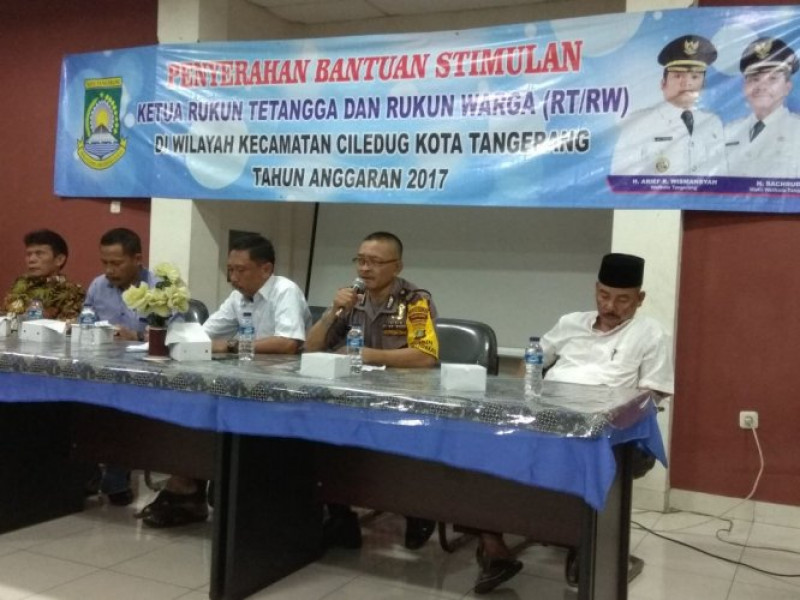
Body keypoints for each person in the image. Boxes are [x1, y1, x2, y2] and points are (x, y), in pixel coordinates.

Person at [473, 253, 674, 594]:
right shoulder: (570, 323)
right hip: (547, 419)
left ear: (640, 299)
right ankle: (494, 550)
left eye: (623, 300)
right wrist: (517, 400)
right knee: (486, 448)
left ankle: (585, 543)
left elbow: (652, 393)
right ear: (595, 289)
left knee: (575, 456)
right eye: (604, 295)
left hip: (607, 432)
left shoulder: (651, 333)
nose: (610, 306)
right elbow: (531, 362)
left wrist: (606, 418)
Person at [138, 233, 311, 527]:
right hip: (245, 384)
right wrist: (169, 336)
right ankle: (189, 485)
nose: (233, 278)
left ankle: (204, 483)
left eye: (240, 270)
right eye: (230, 270)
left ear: (266, 269)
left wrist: (231, 345)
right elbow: (204, 334)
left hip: (282, 392)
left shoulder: (285, 291)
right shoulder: (237, 298)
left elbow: (288, 343)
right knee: (193, 406)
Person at [304, 231, 440, 550]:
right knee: (325, 439)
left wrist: (365, 354)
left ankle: (416, 510)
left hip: (404, 398)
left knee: (394, 450)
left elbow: (425, 356)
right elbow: (310, 348)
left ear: (397, 266)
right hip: (355, 396)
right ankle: (341, 515)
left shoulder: (415, 300)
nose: (365, 268)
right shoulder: (353, 297)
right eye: (361, 260)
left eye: (375, 262)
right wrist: (331, 312)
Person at [82, 228, 156, 505]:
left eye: (116, 263)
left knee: (122, 406)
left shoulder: (161, 289)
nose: (109, 270)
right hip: (101, 365)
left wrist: (135, 335)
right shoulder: (98, 286)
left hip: (144, 371)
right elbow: (85, 320)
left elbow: (175, 335)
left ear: (137, 259)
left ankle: (116, 479)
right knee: (76, 402)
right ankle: (86, 473)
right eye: (105, 263)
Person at [611, 34, 726, 177]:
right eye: (678, 76)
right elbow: (621, 180)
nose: (687, 83)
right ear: (663, 84)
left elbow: (723, 176)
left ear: (703, 85)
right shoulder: (638, 124)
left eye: (695, 77)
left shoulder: (713, 123)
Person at [725, 37, 800, 178]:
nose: (762, 86)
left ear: (787, 87)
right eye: (755, 79)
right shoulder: (728, 132)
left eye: (773, 79)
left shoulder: (797, 131)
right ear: (744, 87)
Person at [3, 229, 84, 320]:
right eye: (29, 254)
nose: (31, 260)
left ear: (59, 260)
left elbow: (68, 325)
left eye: (39, 254)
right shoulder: (20, 284)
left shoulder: (71, 292)